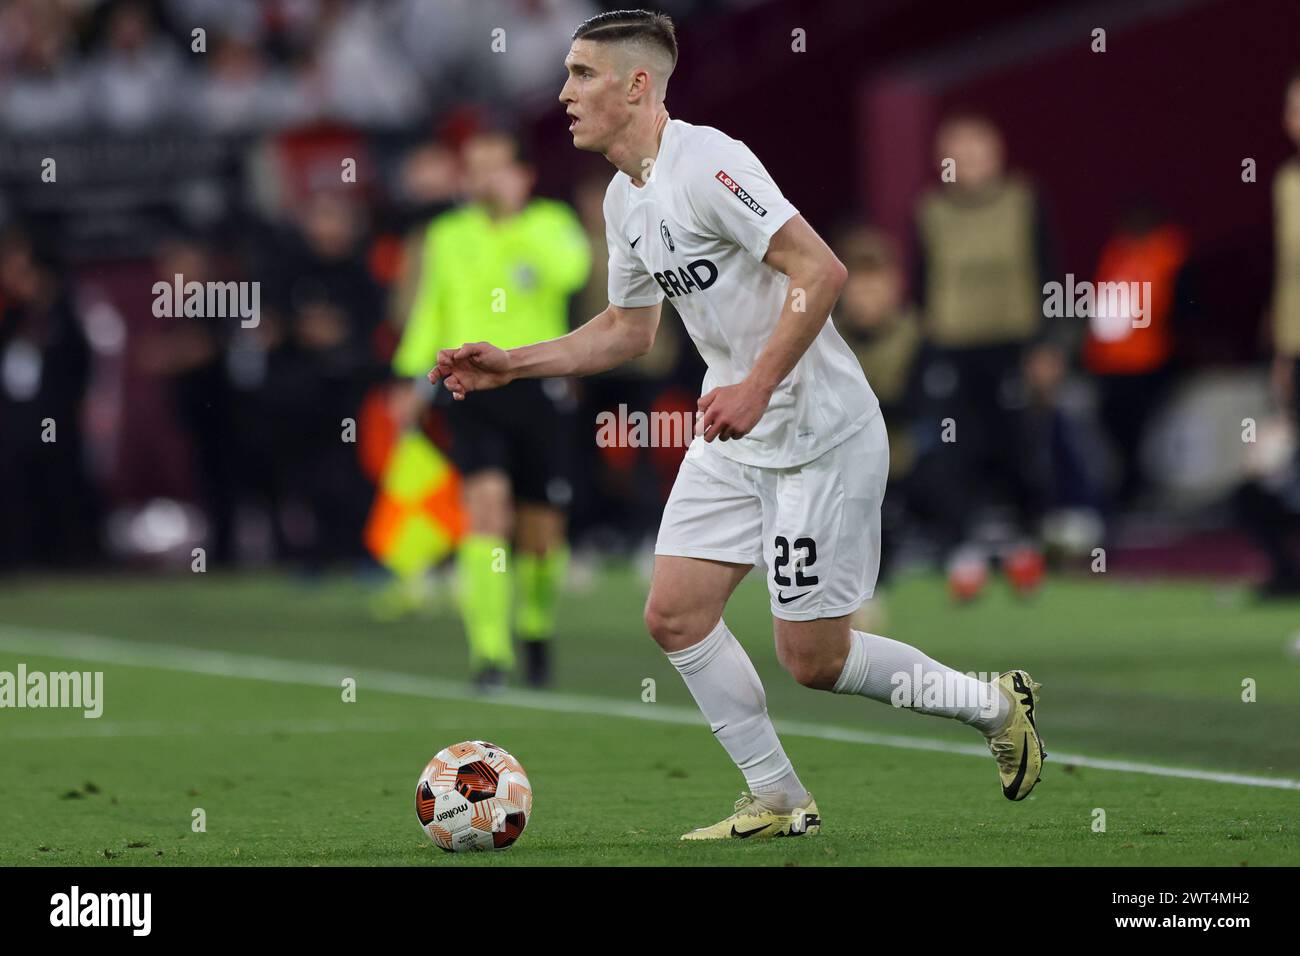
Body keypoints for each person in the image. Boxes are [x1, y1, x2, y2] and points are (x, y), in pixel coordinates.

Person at [431, 10, 1045, 839]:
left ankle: (991, 703)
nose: (564, 93)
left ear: (637, 85)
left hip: (818, 433)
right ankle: (780, 799)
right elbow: (628, 329)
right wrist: (514, 362)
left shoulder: (709, 161)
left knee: (814, 662)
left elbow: (820, 269)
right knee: (674, 614)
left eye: (582, 75)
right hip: (737, 431)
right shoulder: (623, 198)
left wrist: (757, 385)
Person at [392, 130, 590, 690]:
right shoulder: (448, 234)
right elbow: (434, 306)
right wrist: (410, 376)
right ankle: (490, 654)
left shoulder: (551, 225)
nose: (484, 178)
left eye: (496, 167)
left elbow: (570, 274)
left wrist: (513, 224)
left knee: (541, 533)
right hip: (469, 387)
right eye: (475, 168)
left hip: (539, 384)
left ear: (524, 174)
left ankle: (534, 627)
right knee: (485, 512)